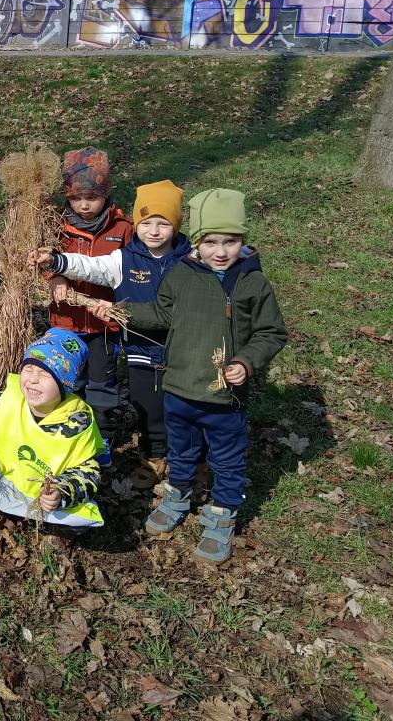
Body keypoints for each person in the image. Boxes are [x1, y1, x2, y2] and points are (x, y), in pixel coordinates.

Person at [122, 189, 287, 564]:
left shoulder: (252, 282)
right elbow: (163, 313)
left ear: (242, 239)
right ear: (197, 241)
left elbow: (271, 332)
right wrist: (122, 312)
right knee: (181, 450)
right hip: (179, 389)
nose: (221, 251)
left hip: (223, 398)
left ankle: (222, 516)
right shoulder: (182, 274)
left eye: (231, 241)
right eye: (211, 242)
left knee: (227, 459)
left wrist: (246, 362)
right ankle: (178, 495)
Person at [39, 180, 190, 489]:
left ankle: (191, 458)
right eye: (147, 223)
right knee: (146, 403)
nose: (154, 231)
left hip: (183, 348)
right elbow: (90, 266)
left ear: (176, 225)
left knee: (182, 404)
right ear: (138, 224)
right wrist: (56, 263)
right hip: (140, 349)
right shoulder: (125, 258)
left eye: (163, 224)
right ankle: (154, 454)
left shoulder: (190, 260)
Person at [0, 330, 105, 555]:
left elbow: (88, 473)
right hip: (6, 480)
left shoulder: (77, 422)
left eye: (45, 374)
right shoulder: (3, 401)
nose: (33, 379)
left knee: (81, 516)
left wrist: (61, 492)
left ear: (65, 383)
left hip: (46, 495)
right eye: (28, 369)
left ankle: (59, 529)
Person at [47, 147, 132, 460]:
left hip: (103, 325)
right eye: (76, 198)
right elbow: (39, 259)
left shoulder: (122, 228)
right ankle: (68, 434)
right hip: (66, 322)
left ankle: (100, 437)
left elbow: (131, 270)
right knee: (69, 380)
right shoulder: (56, 224)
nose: (84, 205)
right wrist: (53, 277)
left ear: (106, 193)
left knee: (101, 383)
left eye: (92, 197)